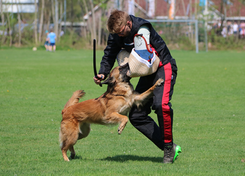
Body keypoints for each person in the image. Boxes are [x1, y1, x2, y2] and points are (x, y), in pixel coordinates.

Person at [93, 10, 181, 163]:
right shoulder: (116, 33)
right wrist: (102, 73)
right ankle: (170, 147)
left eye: (121, 33)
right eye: (116, 34)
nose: (119, 36)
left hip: (163, 67)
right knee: (136, 116)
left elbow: (145, 54)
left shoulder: (142, 28)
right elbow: (109, 54)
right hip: (146, 72)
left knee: (162, 105)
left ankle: (167, 149)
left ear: (128, 24)